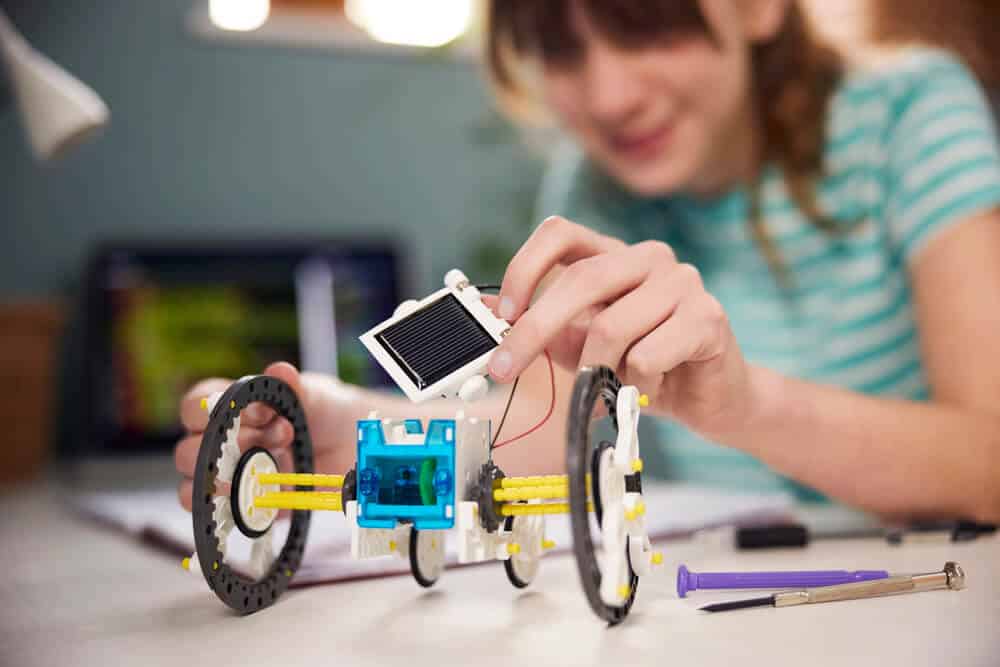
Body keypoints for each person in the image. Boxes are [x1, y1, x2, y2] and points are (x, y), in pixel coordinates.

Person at [174, 0, 1000, 522]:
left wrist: (739, 402)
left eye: (649, 22)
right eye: (560, 47)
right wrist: (354, 439)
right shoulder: (596, 186)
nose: (608, 97)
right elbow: (539, 425)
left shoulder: (913, 113)